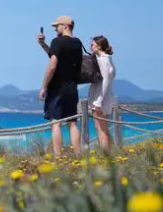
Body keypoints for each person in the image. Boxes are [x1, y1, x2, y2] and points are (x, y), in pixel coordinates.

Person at [37, 15, 83, 158]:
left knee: (56, 123)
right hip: (72, 88)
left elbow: (52, 66)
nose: (55, 29)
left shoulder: (57, 42)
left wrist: (44, 86)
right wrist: (43, 44)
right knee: (72, 123)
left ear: (66, 26)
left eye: (57, 26)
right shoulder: (77, 43)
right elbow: (58, 55)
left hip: (57, 88)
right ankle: (78, 156)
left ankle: (58, 158)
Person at [88, 35, 116, 153]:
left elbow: (106, 80)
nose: (91, 46)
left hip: (100, 99)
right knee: (104, 130)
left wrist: (98, 102)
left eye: (93, 44)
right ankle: (113, 153)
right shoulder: (108, 59)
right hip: (104, 97)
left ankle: (105, 157)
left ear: (99, 46)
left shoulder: (103, 60)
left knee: (101, 130)